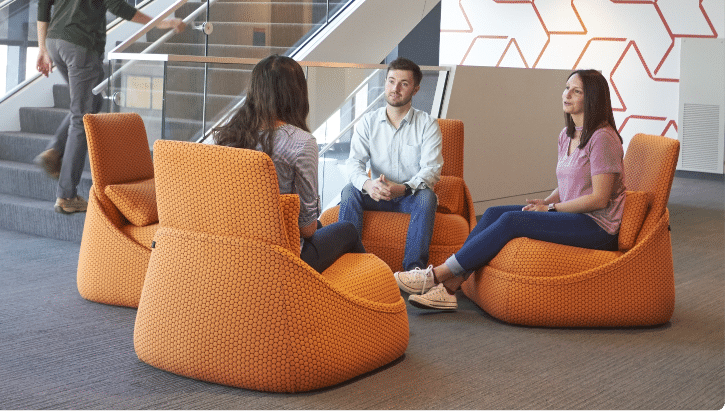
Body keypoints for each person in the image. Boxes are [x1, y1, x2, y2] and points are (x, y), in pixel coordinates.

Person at [395, 69, 626, 311]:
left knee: (512, 221)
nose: (566, 95)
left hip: (597, 227)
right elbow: (572, 183)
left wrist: (549, 209)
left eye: (576, 91)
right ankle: (451, 287)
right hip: (571, 215)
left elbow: (599, 198)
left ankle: (437, 275)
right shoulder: (567, 135)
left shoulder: (602, 139)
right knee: (494, 213)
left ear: (592, 98)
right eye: (566, 88)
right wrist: (547, 201)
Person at [35, 0, 186, 214]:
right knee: (84, 116)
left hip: (55, 43)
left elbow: (43, 1)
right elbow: (118, 5)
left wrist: (41, 47)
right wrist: (163, 23)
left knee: (92, 101)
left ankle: (54, 153)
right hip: (81, 44)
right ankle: (66, 195)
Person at [213, 55, 365, 273]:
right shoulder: (301, 143)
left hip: (233, 248)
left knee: (324, 227)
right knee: (348, 229)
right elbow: (307, 228)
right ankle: (377, 292)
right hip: (283, 258)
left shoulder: (227, 136)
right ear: (296, 93)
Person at [338, 57, 443, 272]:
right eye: (391, 81)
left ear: (415, 90)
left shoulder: (427, 124)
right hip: (376, 194)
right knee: (350, 190)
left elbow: (431, 169)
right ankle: (349, 263)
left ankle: (413, 271)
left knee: (427, 197)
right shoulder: (368, 122)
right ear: (385, 83)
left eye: (404, 83)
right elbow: (354, 163)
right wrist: (368, 185)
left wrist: (402, 188)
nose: (395, 88)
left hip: (409, 195)